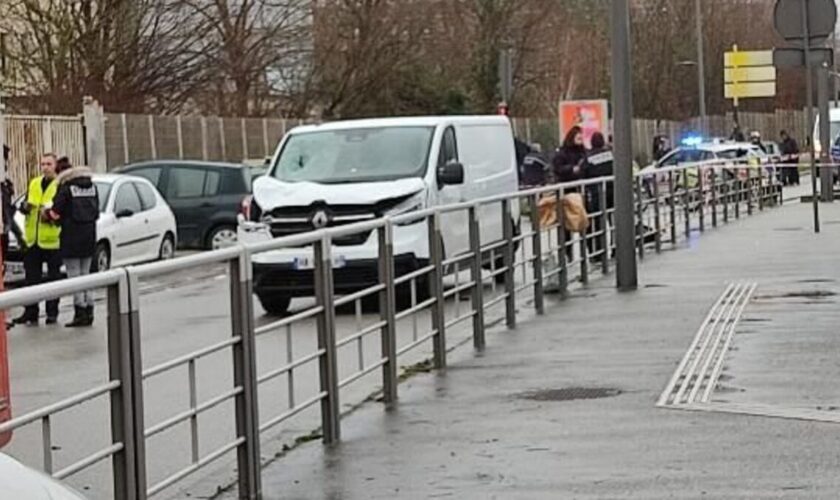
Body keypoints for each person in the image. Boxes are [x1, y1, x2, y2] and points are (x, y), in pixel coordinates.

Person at [47, 158, 99, 327]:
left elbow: (55, 213)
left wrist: (46, 214)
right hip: (90, 235)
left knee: (74, 276)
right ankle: (90, 310)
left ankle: (80, 312)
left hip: (71, 236)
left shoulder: (66, 188)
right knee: (87, 274)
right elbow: (97, 210)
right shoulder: (92, 187)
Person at [14, 153, 62, 326]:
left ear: (55, 166)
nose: (45, 167)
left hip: (51, 239)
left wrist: (50, 215)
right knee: (31, 278)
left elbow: (62, 210)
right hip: (32, 239)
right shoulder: (34, 183)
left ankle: (52, 313)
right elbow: (25, 205)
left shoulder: (59, 185)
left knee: (53, 279)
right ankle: (31, 312)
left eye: (49, 164)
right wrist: (25, 207)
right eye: (42, 164)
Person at [583, 132, 614, 259]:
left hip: (595, 194)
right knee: (613, 222)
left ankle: (597, 253)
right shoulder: (611, 154)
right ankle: (616, 248)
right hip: (612, 192)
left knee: (596, 223)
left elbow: (583, 173)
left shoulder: (588, 157)